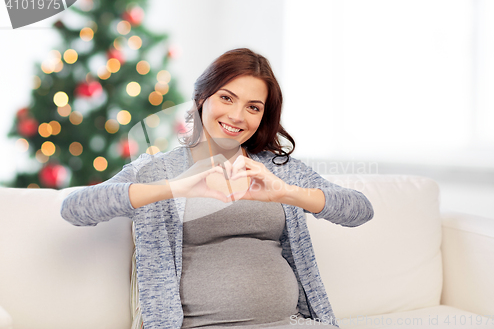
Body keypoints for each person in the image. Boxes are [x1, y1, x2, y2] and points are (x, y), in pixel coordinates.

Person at [61, 48, 374, 329]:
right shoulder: (157, 170)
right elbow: (75, 208)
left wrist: (285, 193)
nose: (237, 116)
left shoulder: (277, 169)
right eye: (227, 98)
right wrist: (174, 188)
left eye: (253, 107)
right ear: (201, 98)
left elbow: (359, 210)